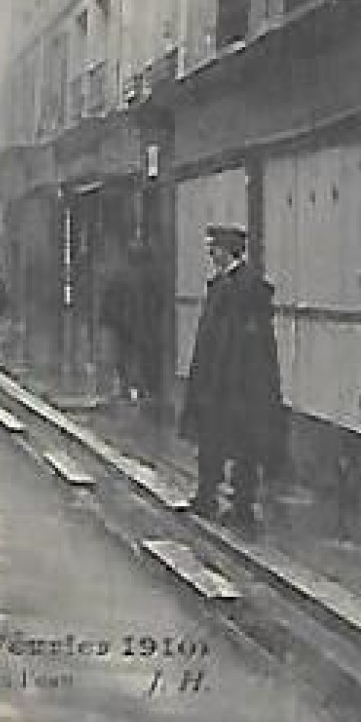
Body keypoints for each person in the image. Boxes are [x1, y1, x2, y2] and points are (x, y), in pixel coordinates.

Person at [180, 225, 285, 534]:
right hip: (217, 378)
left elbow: (251, 342)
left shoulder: (248, 288)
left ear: (229, 251)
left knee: (243, 444)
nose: (211, 253)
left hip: (239, 381)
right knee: (212, 437)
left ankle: (241, 506)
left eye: (215, 248)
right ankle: (207, 495)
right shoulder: (222, 285)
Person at [100, 242, 159, 401]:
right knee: (137, 357)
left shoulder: (120, 276)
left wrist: (108, 319)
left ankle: (127, 389)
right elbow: (154, 303)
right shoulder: (149, 277)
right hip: (140, 325)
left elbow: (109, 301)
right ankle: (137, 389)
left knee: (124, 358)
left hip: (123, 325)